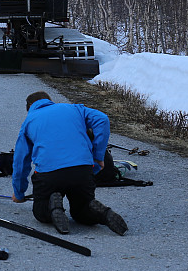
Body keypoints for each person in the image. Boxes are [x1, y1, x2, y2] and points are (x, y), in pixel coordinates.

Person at [11, 91, 128, 236]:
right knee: (81, 212)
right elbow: (102, 119)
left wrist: (19, 192)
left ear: (30, 106)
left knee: (40, 212)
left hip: (49, 174)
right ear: (49, 100)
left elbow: (21, 161)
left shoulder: (29, 121)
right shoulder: (75, 109)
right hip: (82, 170)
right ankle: (99, 211)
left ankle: (52, 206)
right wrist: (98, 156)